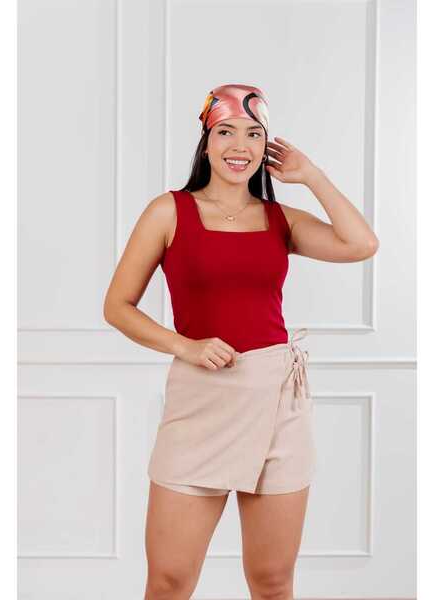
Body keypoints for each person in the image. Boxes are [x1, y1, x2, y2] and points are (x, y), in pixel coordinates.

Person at [103, 83, 379, 600]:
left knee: (273, 582)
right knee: (169, 581)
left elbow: (361, 243)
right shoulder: (169, 212)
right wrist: (184, 346)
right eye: (226, 131)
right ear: (206, 143)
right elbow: (117, 306)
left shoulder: (279, 219)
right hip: (201, 401)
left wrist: (311, 175)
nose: (240, 145)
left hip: (278, 402)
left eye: (254, 134)